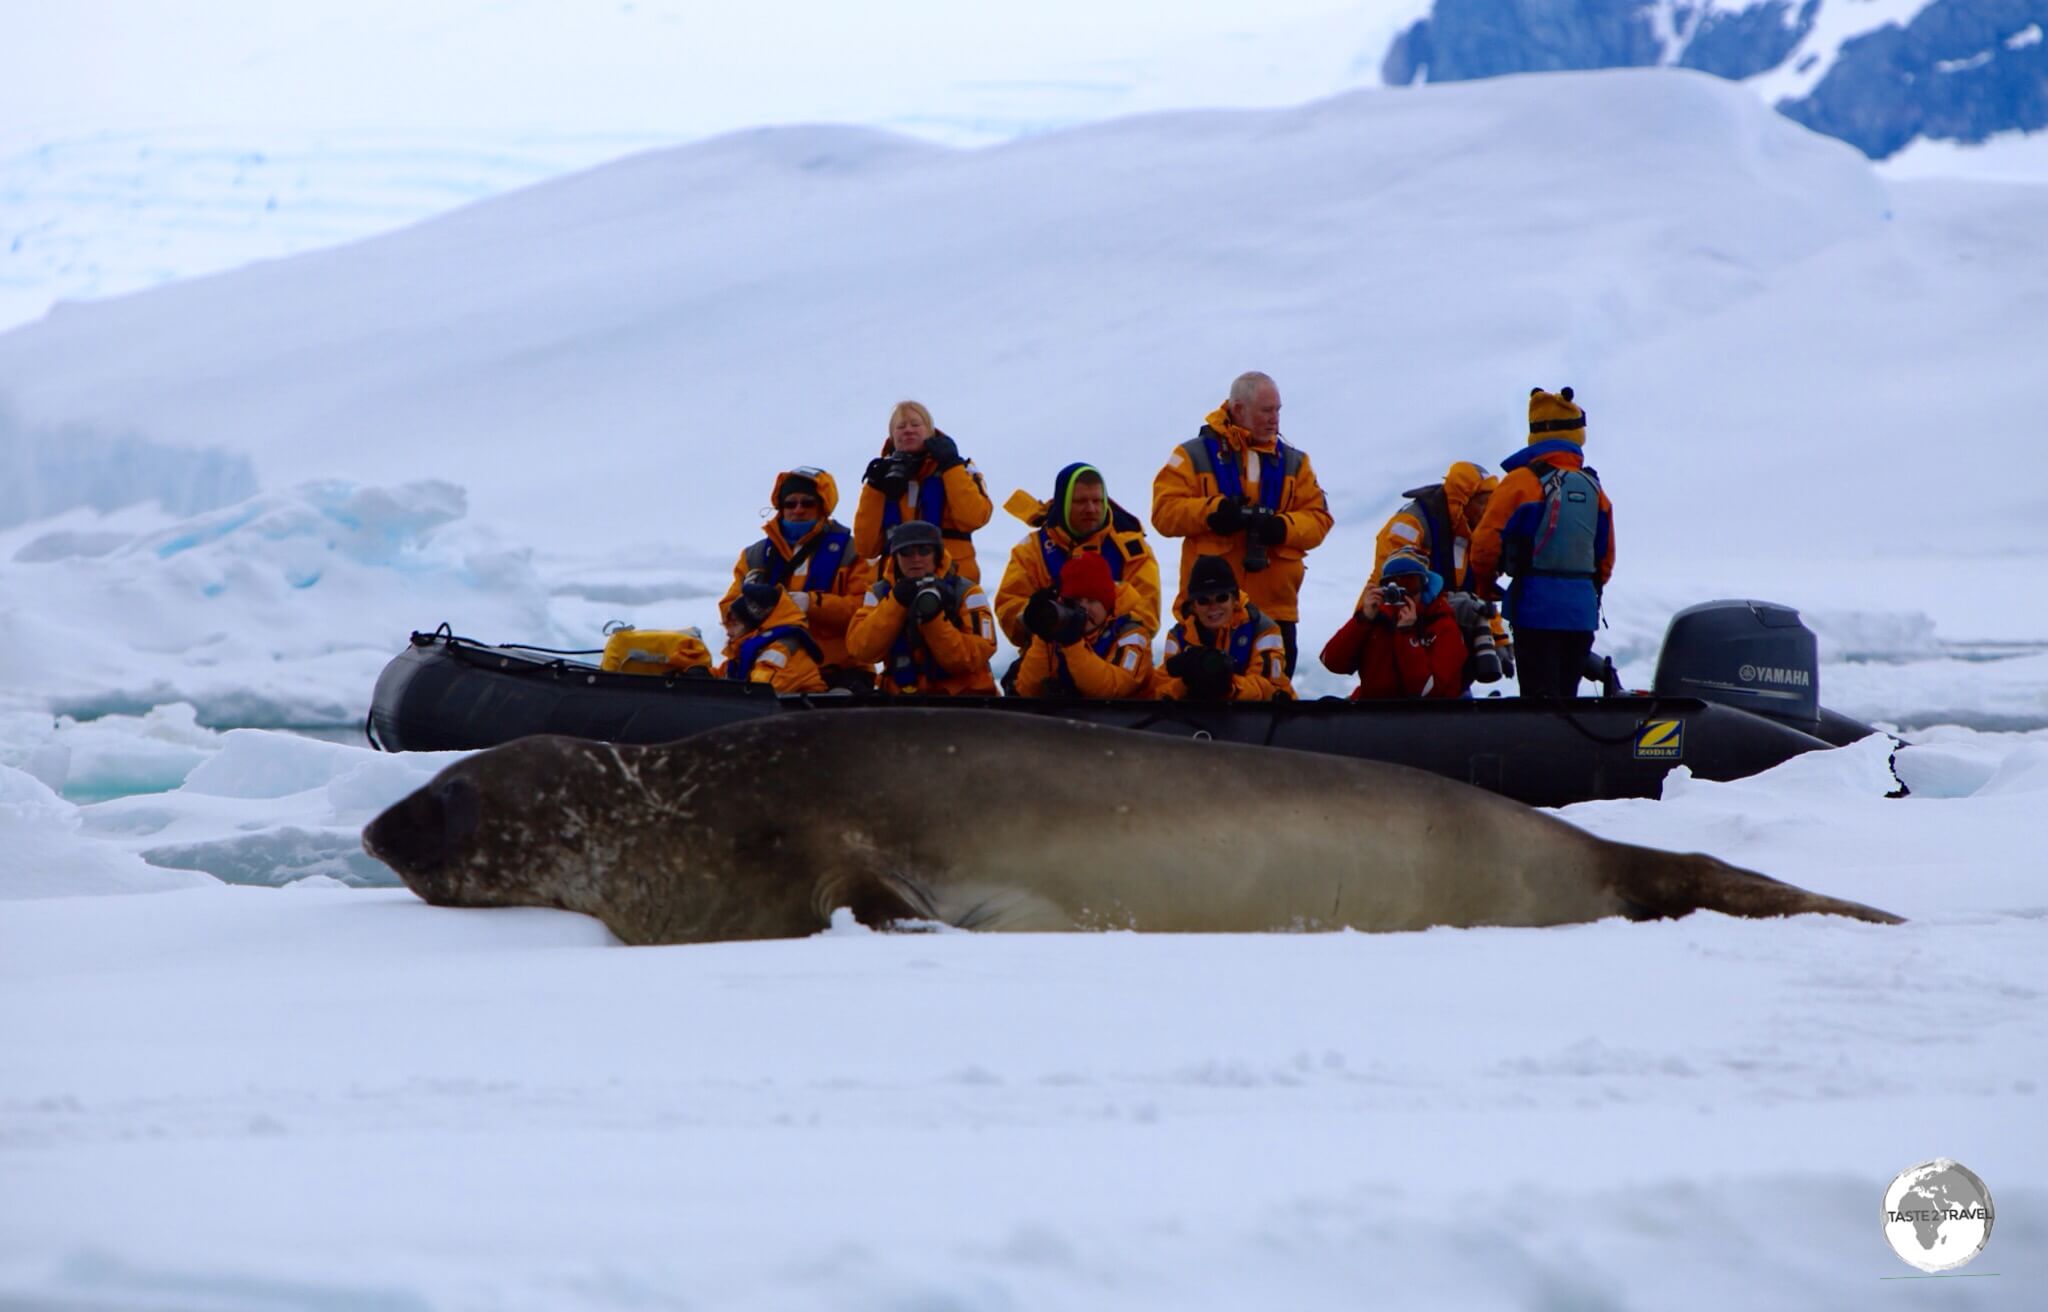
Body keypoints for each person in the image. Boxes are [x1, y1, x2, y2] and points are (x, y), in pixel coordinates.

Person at [1151, 371, 1332, 676]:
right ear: (1238, 409)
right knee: (1197, 702)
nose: (1274, 419)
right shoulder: (1192, 456)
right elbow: (1164, 512)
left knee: (1273, 704)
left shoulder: (1296, 464)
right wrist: (1213, 512)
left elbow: (1319, 519)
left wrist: (1282, 527)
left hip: (1275, 612)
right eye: (1266, 410)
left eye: (1277, 410)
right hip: (1208, 610)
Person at [1467, 387, 1615, 698]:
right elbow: (1605, 559)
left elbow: (1484, 544)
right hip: (1580, 614)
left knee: (1539, 702)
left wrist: (1483, 587)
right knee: (1567, 697)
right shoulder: (1595, 489)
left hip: (1535, 610)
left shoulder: (1521, 483)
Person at [720, 468, 874, 690]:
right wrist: (750, 608)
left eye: (807, 503)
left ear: (822, 506)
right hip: (773, 665)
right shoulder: (754, 556)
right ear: (780, 509)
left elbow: (866, 611)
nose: (798, 510)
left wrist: (811, 604)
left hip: (838, 669)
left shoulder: (853, 552)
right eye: (790, 504)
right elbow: (728, 609)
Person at [994, 461, 1161, 649]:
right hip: (1048, 656)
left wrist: (1098, 623)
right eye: (1080, 501)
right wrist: (1039, 613)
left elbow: (1147, 617)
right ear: (1063, 503)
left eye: (1097, 501)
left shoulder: (1131, 550)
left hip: (1114, 660)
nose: (1091, 509)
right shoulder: (1032, 551)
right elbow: (1008, 609)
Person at [845, 520, 999, 695]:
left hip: (964, 699)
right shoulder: (880, 594)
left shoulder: (966, 593)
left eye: (924, 551)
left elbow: (972, 659)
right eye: (906, 552)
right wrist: (895, 603)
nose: (916, 559)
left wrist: (932, 617)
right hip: (902, 699)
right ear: (895, 557)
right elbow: (862, 650)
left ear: (937, 555)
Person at [852, 400, 995, 582]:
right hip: (896, 587)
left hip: (952, 580)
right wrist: (873, 487)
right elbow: (866, 547)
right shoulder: (881, 479)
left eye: (915, 424)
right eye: (901, 427)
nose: (908, 430)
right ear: (892, 437)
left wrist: (951, 466)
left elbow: (974, 518)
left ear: (930, 431)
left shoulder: (957, 469)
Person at [1318, 554, 1468, 700]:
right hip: (1375, 713)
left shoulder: (1442, 625)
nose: (1403, 594)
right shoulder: (1376, 620)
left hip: (1425, 717)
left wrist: (1406, 635)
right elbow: (1332, 661)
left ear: (1424, 587)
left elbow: (1428, 692)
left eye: (1410, 584)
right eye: (1393, 585)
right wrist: (1362, 619)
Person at [1012, 551, 1154, 699]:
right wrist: (1044, 633)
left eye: (1092, 600)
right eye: (1077, 600)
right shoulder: (1058, 630)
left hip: (1125, 719)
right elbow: (1027, 692)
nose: (1085, 608)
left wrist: (1073, 646)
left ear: (1108, 603)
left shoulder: (1131, 634)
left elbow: (1114, 690)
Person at [1152, 555, 1292, 701]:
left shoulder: (1263, 630)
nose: (1213, 607)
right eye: (1203, 600)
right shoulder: (1178, 636)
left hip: (1260, 718)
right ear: (1193, 606)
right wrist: (1187, 683)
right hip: (1194, 718)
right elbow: (1160, 691)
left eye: (1221, 598)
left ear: (1235, 600)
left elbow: (1271, 688)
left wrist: (1227, 686)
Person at [1373, 460, 1497, 590]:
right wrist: (1454, 604)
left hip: (1443, 609)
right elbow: (1395, 583)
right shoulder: (1411, 523)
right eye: (1483, 502)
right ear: (1463, 500)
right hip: (1386, 607)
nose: (1489, 510)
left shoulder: (1470, 534)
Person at [716, 581, 828, 693]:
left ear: (752, 627)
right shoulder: (743, 651)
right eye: (726, 626)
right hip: (768, 707)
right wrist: (702, 673)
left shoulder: (783, 648)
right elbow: (721, 675)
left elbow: (764, 690)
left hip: (805, 707)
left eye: (734, 625)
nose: (728, 632)